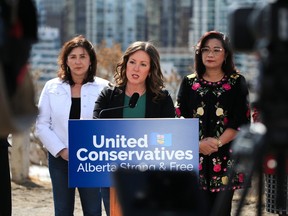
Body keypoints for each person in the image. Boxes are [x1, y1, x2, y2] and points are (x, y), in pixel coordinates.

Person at [93, 41, 175, 215]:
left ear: (150, 69)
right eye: (132, 62)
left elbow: (169, 137)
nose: (136, 68)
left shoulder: (162, 99)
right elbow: (96, 129)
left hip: (150, 174)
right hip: (113, 174)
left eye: (143, 64)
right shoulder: (108, 95)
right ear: (125, 64)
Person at [175, 31, 251, 216]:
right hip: (193, 158)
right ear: (199, 54)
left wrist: (216, 143)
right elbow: (179, 117)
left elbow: (241, 120)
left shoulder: (237, 83)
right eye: (205, 50)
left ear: (226, 54)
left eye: (216, 50)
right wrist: (197, 144)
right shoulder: (188, 82)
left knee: (220, 211)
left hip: (226, 160)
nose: (210, 54)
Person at [35, 35, 109, 216]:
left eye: (83, 56)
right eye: (73, 57)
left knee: (93, 210)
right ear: (65, 61)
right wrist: (62, 151)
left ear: (91, 60)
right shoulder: (51, 86)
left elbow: (109, 124)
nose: (78, 62)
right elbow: (41, 125)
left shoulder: (104, 87)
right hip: (60, 158)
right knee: (62, 210)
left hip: (91, 160)